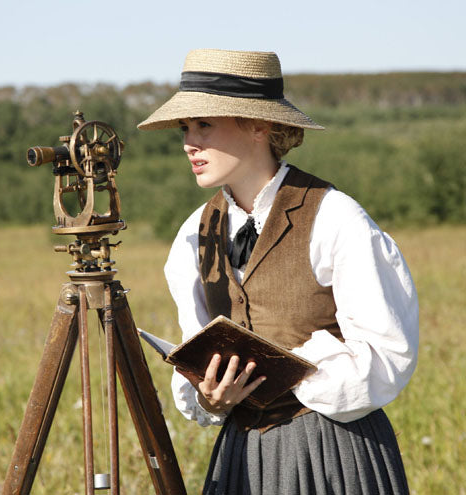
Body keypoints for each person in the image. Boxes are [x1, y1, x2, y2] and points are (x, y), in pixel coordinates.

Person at [137, 49, 419, 495]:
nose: (189, 142)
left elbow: (387, 355)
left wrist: (296, 373)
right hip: (243, 456)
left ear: (259, 126)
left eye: (204, 124)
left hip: (333, 448)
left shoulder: (335, 217)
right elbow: (195, 350)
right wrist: (212, 396)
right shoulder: (195, 232)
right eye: (185, 128)